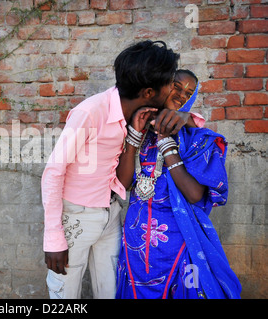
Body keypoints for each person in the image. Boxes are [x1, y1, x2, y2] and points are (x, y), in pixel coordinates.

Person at [41, 40, 203, 299]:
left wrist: (187, 117)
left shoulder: (142, 108)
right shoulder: (91, 111)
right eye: (170, 85)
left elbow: (191, 120)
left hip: (113, 212)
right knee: (64, 295)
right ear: (149, 91)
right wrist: (53, 238)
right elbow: (53, 172)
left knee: (112, 291)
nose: (174, 92)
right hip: (76, 217)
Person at [115, 69, 242, 299]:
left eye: (189, 92)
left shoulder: (196, 138)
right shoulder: (140, 127)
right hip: (135, 241)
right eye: (176, 86)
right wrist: (133, 134)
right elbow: (123, 183)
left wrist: (167, 145)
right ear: (163, 86)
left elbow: (194, 194)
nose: (182, 94)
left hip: (177, 238)